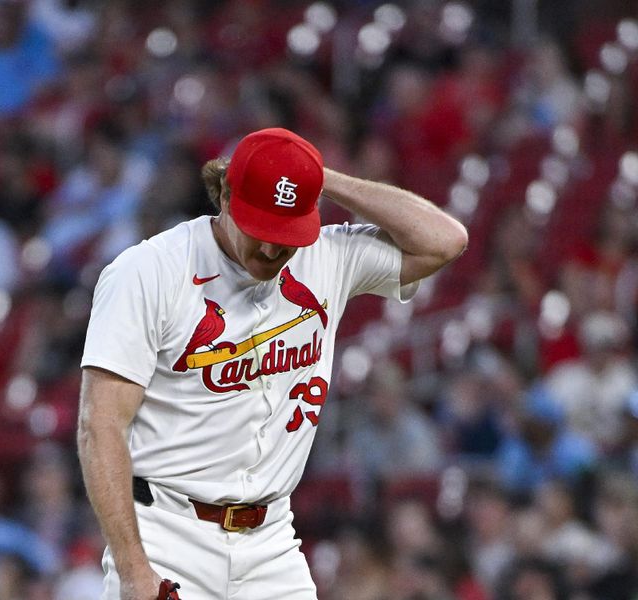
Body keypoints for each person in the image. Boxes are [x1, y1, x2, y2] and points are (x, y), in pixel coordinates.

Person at [77, 127, 467, 599]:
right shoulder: (148, 272)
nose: (270, 249)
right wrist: (133, 567)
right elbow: (100, 425)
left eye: (286, 234)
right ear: (224, 194)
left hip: (271, 541)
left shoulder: (326, 256)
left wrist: (315, 177)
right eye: (259, 229)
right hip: (167, 533)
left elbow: (444, 241)